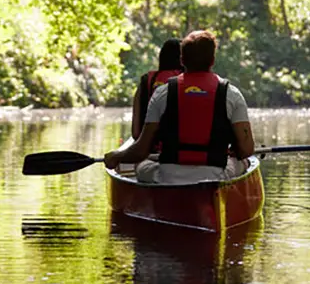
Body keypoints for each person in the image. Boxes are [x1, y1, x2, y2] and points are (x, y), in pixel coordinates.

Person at [105, 30, 255, 184]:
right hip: (215, 177)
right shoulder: (232, 94)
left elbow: (141, 150)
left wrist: (117, 156)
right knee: (244, 162)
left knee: (140, 165)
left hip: (167, 177)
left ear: (182, 60)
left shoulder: (161, 93)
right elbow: (247, 150)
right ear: (212, 60)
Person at [132, 38, 182, 139]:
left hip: (147, 148)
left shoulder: (146, 80)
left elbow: (136, 133)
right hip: (175, 149)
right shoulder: (186, 82)